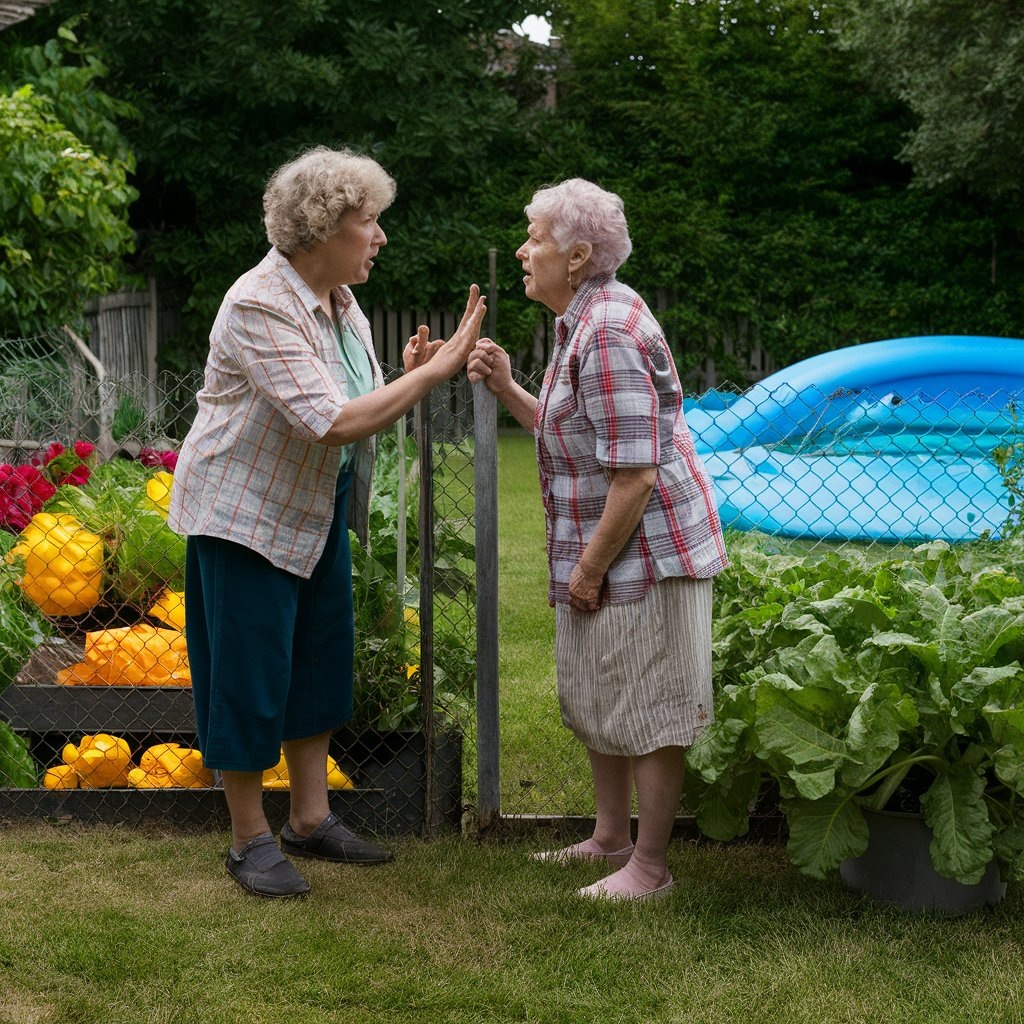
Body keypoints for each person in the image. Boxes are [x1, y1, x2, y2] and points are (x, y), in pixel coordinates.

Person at [167, 146, 486, 899]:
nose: (380, 237)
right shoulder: (260, 302)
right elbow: (329, 420)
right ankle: (248, 838)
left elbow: (358, 391)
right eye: (368, 222)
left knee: (316, 661)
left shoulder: (342, 302)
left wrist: (405, 368)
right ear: (319, 228)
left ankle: (310, 820)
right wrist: (430, 375)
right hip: (244, 515)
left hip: (310, 512)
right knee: (247, 674)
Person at [468, 179, 728, 901]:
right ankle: (610, 838)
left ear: (578, 255)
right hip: (619, 545)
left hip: (649, 552)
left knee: (649, 704)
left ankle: (649, 867)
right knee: (604, 690)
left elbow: (636, 475)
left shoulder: (608, 329)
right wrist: (509, 389)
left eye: (536, 238)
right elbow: (572, 432)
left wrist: (587, 571)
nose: (523, 249)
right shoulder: (580, 320)